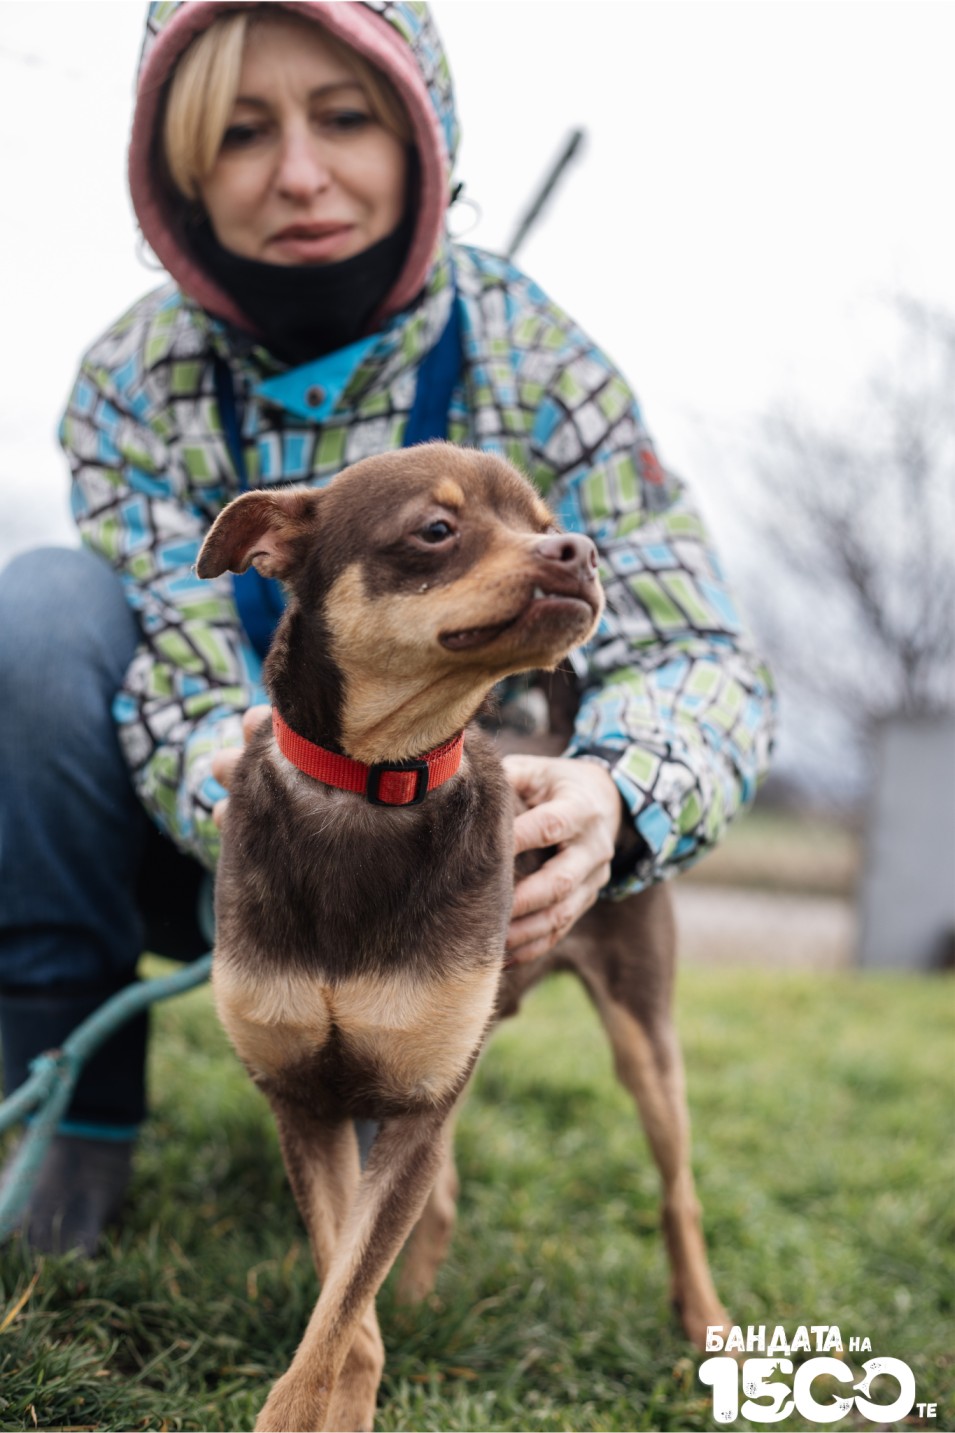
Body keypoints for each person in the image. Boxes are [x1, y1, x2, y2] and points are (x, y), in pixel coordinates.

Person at [0, 1, 774, 1254]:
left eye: (345, 116)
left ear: (423, 135)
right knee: (35, 612)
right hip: (229, 849)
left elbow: (694, 648)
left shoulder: (536, 360)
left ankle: (381, 1091)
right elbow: (176, 670)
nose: (300, 172)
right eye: (243, 131)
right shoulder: (131, 382)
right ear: (181, 174)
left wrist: (619, 794)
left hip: (448, 853)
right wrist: (264, 806)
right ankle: (76, 1116)